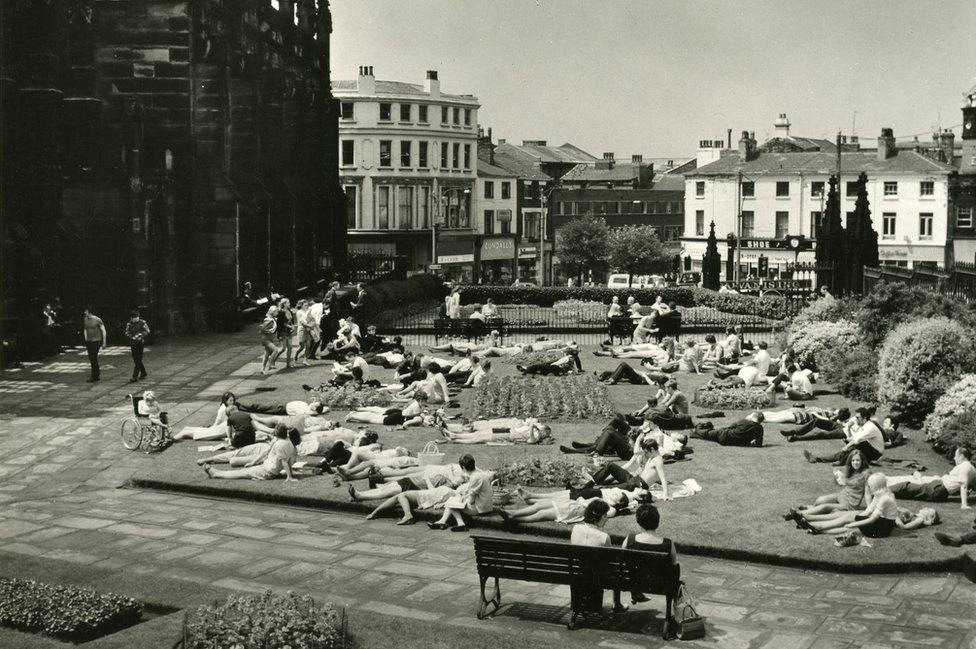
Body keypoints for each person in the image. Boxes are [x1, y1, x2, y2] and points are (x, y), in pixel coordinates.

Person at [795, 474, 939, 537]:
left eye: (928, 510)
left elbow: (903, 527)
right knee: (846, 516)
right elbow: (871, 510)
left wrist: (896, 516)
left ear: (929, 518)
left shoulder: (919, 519)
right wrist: (860, 516)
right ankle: (809, 522)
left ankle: (812, 524)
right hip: (879, 520)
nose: (925, 508)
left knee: (847, 521)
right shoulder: (883, 496)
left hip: (880, 526)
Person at [570, 499, 630, 613]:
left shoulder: (575, 529)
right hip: (598, 578)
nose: (607, 519)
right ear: (597, 517)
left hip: (578, 573)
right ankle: (617, 604)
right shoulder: (603, 537)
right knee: (616, 570)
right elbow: (612, 561)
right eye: (605, 516)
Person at [785, 450, 870, 518]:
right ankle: (812, 508)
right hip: (842, 495)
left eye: (858, 460)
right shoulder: (851, 469)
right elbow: (836, 469)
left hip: (850, 504)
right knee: (820, 500)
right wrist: (838, 475)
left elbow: (867, 493)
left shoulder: (866, 473)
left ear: (862, 461)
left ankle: (798, 513)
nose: (855, 463)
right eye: (853, 460)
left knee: (825, 507)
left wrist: (869, 510)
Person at [623, 504, 678, 605]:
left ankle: (618, 603)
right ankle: (670, 613)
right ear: (657, 521)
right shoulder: (668, 544)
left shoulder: (629, 540)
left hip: (632, 582)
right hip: (660, 584)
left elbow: (623, 562)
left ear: (638, 521)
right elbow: (674, 568)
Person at [204, 423, 297, 481]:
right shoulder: (289, 443)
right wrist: (253, 462)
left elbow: (284, 461)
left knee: (242, 473)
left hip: (268, 471)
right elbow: (268, 453)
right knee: (245, 471)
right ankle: (217, 473)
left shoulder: (279, 444)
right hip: (268, 469)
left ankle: (216, 474)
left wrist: (289, 477)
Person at [887, 447, 974, 508]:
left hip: (937, 489)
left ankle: (881, 491)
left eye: (956, 456)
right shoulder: (972, 469)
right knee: (910, 486)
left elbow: (964, 485)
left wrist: (964, 504)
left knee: (906, 486)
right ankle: (885, 486)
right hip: (938, 487)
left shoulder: (965, 467)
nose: (954, 458)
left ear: (962, 456)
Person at [428, 454, 494, 532]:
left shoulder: (475, 477)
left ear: (463, 467)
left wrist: (462, 501)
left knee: (451, 504)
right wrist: (463, 498)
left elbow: (471, 501)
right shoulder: (480, 474)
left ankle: (458, 524)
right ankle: (443, 522)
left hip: (481, 508)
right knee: (453, 501)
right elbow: (474, 493)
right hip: (486, 505)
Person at [803, 407, 884, 465]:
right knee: (852, 448)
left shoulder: (870, 427)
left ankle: (836, 460)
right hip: (870, 450)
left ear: (864, 418)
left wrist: (846, 447)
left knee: (854, 447)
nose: (855, 419)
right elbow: (853, 438)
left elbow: (857, 440)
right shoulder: (864, 425)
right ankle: (837, 460)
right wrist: (848, 439)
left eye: (857, 417)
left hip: (875, 454)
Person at [561, 414, 634, 459]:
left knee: (609, 431)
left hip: (629, 449)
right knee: (616, 420)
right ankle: (597, 443)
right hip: (630, 438)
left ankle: (595, 449)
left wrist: (630, 439)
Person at [441, 420, 552, 445]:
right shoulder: (532, 429)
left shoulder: (536, 435)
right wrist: (530, 425)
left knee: (481, 438)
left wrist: (532, 427)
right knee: (480, 433)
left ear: (543, 430)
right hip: (507, 430)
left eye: (541, 425)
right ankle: (455, 434)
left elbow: (530, 441)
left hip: (508, 436)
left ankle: (456, 439)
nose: (539, 424)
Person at [690, 411, 765, 447]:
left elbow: (731, 426)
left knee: (703, 432)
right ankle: (695, 435)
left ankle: (699, 425)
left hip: (724, 436)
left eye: (750, 415)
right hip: (735, 442)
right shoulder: (760, 429)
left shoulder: (744, 421)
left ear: (753, 417)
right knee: (708, 435)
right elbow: (759, 444)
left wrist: (746, 419)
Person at [516, 346, 582, 376]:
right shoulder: (571, 358)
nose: (563, 353)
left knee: (536, 366)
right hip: (558, 370)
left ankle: (525, 371)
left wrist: (548, 364)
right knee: (540, 370)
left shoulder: (567, 358)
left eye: (564, 352)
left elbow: (558, 363)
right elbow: (573, 367)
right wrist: (576, 372)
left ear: (567, 353)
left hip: (555, 368)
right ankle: (525, 369)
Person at [125, 309, 151, 382]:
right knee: (136, 359)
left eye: (137, 317)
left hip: (140, 343)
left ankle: (134, 376)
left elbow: (147, 331)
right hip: (133, 343)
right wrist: (131, 337)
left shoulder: (142, 323)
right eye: (134, 317)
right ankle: (143, 372)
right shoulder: (129, 324)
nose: (136, 318)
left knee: (138, 359)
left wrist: (140, 335)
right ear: (131, 318)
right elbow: (127, 332)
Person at [83, 308, 107, 382]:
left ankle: (94, 375)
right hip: (89, 341)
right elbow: (85, 329)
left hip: (97, 340)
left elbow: (103, 330)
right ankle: (97, 373)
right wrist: (86, 339)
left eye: (86, 311)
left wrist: (104, 342)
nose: (84, 312)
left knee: (93, 357)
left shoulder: (97, 320)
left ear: (90, 312)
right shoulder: (85, 319)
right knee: (91, 358)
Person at [260, 305, 281, 376]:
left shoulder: (272, 318)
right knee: (275, 350)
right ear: (273, 312)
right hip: (266, 339)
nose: (277, 313)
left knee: (266, 354)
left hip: (269, 338)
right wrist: (271, 332)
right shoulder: (269, 320)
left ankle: (262, 369)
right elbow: (263, 329)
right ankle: (271, 363)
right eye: (276, 312)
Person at [275, 297, 295, 368]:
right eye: (288, 303)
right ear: (284, 304)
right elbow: (282, 323)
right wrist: (291, 326)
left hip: (288, 331)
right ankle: (273, 359)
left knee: (290, 347)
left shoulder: (289, 311)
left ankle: (288, 363)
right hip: (283, 331)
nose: (289, 304)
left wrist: (292, 326)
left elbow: (291, 320)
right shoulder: (281, 312)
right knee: (283, 348)